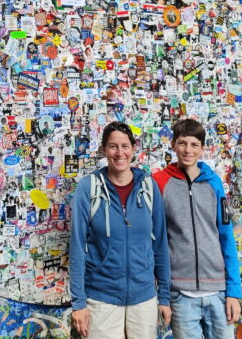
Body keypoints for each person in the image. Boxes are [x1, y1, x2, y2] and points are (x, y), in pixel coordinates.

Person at [69, 121, 172, 338]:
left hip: (144, 298)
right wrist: (78, 303)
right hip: (101, 298)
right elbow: (77, 247)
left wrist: (164, 296)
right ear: (104, 150)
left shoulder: (148, 186)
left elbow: (160, 244)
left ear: (133, 149)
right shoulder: (89, 188)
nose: (119, 153)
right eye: (113, 146)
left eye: (125, 146)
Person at [153, 118, 242, 339]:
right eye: (182, 143)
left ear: (202, 148)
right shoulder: (159, 183)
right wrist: (163, 296)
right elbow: (155, 241)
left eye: (194, 145)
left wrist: (234, 292)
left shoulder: (214, 183)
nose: (187, 150)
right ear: (173, 145)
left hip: (219, 293)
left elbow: (226, 237)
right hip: (181, 296)